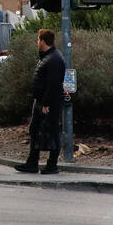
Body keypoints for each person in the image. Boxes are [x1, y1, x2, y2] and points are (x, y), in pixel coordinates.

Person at [15, 28, 66, 174]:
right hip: (41, 102)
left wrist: (45, 103)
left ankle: (52, 165)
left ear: (43, 41)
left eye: (38, 39)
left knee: (52, 131)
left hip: (49, 103)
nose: (37, 42)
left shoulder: (54, 59)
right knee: (35, 130)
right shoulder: (48, 57)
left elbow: (53, 84)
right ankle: (32, 162)